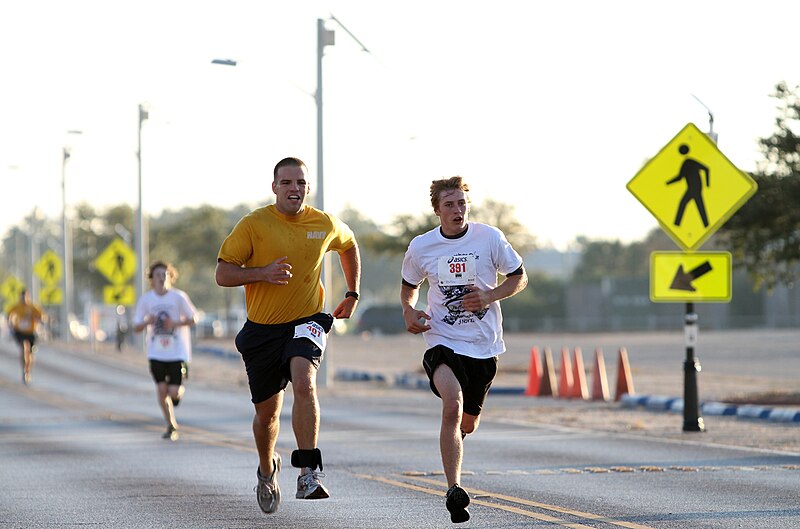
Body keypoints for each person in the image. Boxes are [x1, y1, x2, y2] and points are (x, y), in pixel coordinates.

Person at [215, 156, 361, 515]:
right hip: (263, 330)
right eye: (287, 183)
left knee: (304, 382)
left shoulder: (323, 222)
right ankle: (267, 469)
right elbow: (222, 273)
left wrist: (352, 293)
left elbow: (349, 245)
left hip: (306, 320)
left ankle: (308, 471)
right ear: (274, 187)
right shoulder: (254, 224)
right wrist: (261, 273)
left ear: (308, 188)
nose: (294, 189)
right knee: (267, 415)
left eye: (300, 183)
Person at [400, 176, 528, 524]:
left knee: (467, 423)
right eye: (449, 205)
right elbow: (409, 286)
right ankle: (454, 488)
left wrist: (489, 295)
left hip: (484, 345)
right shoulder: (422, 246)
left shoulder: (489, 238)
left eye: (461, 203)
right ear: (437, 210)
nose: (457, 211)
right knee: (452, 404)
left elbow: (519, 277)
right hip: (441, 338)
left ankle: (459, 439)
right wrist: (409, 311)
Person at [133, 261, 199, 441]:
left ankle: (176, 397)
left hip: (177, 352)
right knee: (161, 390)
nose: (161, 278)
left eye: (165, 275)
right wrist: (148, 321)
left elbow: (194, 318)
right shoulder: (146, 300)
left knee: (174, 393)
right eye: (158, 275)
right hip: (156, 352)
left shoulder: (178, 297)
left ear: (170, 277)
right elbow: (136, 327)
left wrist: (175, 323)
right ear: (152, 279)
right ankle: (171, 425)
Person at [7, 289, 46, 385]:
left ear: (29, 297)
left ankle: (28, 370)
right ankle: (24, 371)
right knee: (24, 348)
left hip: (31, 332)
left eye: (26, 296)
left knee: (30, 354)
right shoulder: (17, 307)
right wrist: (11, 324)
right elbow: (9, 315)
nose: (24, 299)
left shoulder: (33, 307)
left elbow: (42, 317)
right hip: (20, 332)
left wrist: (38, 319)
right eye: (22, 297)